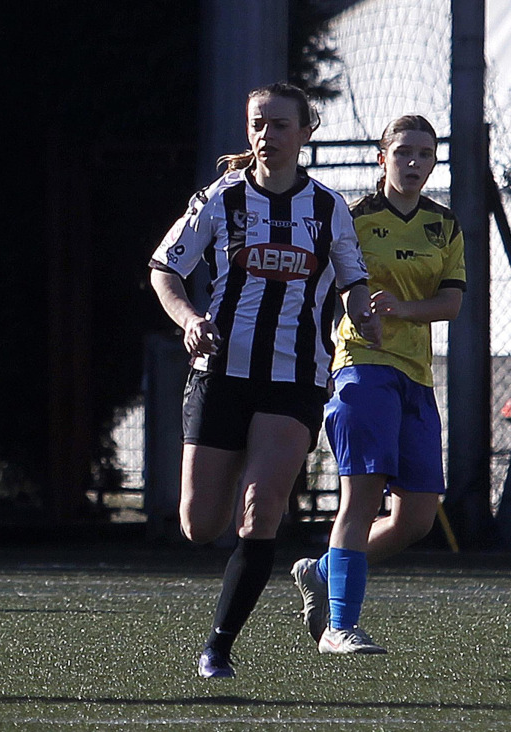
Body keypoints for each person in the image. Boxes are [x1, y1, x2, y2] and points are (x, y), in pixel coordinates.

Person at [148, 82, 380, 679]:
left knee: (262, 507)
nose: (266, 136)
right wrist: (190, 319)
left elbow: (353, 281)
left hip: (294, 380)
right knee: (200, 526)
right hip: (219, 374)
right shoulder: (220, 199)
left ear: (306, 133)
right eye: (258, 124)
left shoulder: (329, 208)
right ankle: (232, 617)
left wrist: (364, 311)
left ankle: (218, 648)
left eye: (280, 125)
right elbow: (164, 270)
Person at [290, 115, 464, 655]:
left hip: (416, 375)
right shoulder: (353, 216)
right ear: (382, 157)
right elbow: (331, 282)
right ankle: (340, 627)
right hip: (361, 367)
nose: (414, 163)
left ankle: (324, 571)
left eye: (425, 154)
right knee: (361, 497)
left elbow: (452, 303)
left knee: (415, 516)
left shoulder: (445, 225)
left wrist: (406, 309)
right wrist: (357, 308)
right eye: (403, 152)